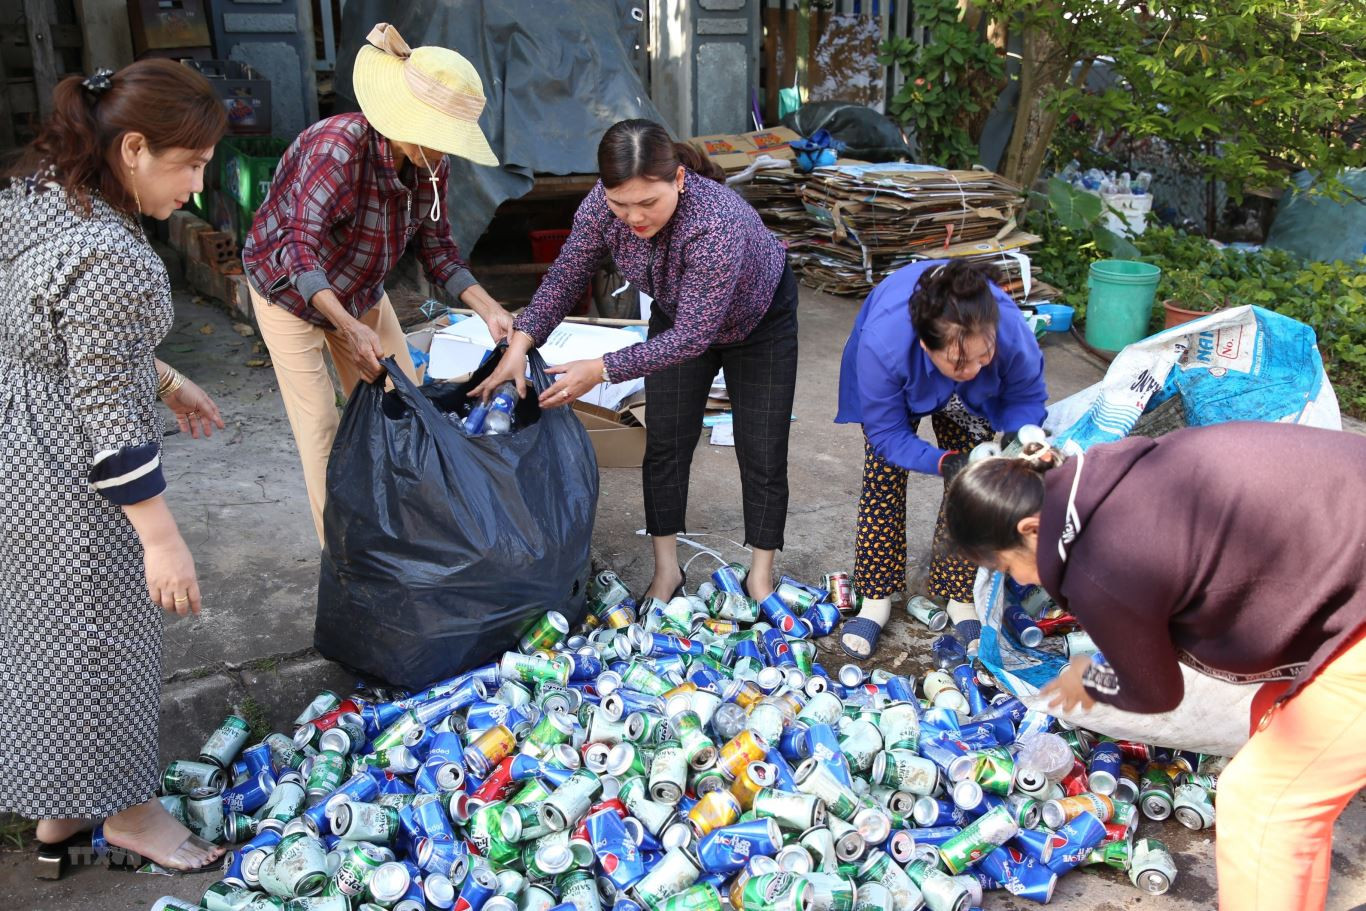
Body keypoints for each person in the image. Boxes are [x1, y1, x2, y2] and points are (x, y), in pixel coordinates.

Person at [944, 423, 1366, 911]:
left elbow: (1157, 694)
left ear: (1030, 530)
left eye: (1004, 567)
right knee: (1272, 726)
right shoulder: (1102, 477)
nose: (1014, 579)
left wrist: (1089, 678)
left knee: (1261, 803)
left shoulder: (1101, 564)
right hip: (1344, 549)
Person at [0, 60, 228, 877]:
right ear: (134, 147)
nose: (198, 187)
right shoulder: (117, 255)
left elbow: (59, 336)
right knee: (104, 640)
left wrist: (166, 377)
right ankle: (130, 812)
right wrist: (160, 536)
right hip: (70, 474)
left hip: (16, 453)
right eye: (190, 164)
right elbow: (106, 417)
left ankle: (59, 819)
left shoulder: (41, 193)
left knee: (47, 640)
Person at [473, 119, 798, 603]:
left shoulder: (717, 223)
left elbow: (694, 335)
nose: (634, 217)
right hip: (678, 311)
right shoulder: (602, 209)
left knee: (763, 447)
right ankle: (667, 571)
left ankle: (760, 576)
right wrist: (519, 345)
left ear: (679, 180)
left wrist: (601, 368)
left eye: (648, 203)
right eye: (621, 204)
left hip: (759, 319)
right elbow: (565, 277)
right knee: (665, 441)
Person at [242, 23, 514, 547]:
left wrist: (488, 309)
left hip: (361, 288)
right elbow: (298, 248)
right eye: (437, 138)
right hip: (288, 292)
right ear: (405, 121)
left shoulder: (431, 165)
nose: (443, 152)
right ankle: (341, 558)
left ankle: (402, 531)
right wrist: (345, 327)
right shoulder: (337, 149)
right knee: (321, 428)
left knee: (406, 407)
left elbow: (438, 251)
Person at [833, 259, 1046, 658]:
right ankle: (877, 595)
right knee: (885, 475)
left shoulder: (1008, 331)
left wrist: (1021, 433)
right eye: (959, 362)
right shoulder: (884, 345)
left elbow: (1025, 396)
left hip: (965, 379)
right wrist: (944, 461)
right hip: (901, 372)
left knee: (975, 483)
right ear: (926, 346)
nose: (970, 369)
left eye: (983, 356)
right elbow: (887, 435)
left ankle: (960, 592)